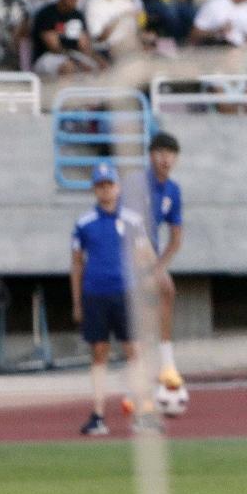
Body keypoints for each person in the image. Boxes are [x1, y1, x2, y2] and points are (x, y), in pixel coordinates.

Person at [70, 161, 156, 436]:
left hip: (126, 293)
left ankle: (143, 412)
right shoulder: (84, 224)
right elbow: (76, 265)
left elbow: (146, 257)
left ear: (117, 188)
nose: (105, 191)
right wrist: (77, 301)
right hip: (95, 293)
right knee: (99, 353)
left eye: (109, 185)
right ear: (95, 189)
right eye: (100, 186)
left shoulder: (132, 221)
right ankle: (98, 414)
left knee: (134, 351)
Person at [145, 131, 185, 386]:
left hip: (151, 258)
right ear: (151, 156)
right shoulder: (139, 184)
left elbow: (176, 237)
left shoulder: (172, 191)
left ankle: (166, 362)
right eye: (160, 153)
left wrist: (159, 266)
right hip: (126, 254)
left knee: (166, 290)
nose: (165, 159)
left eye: (170, 154)